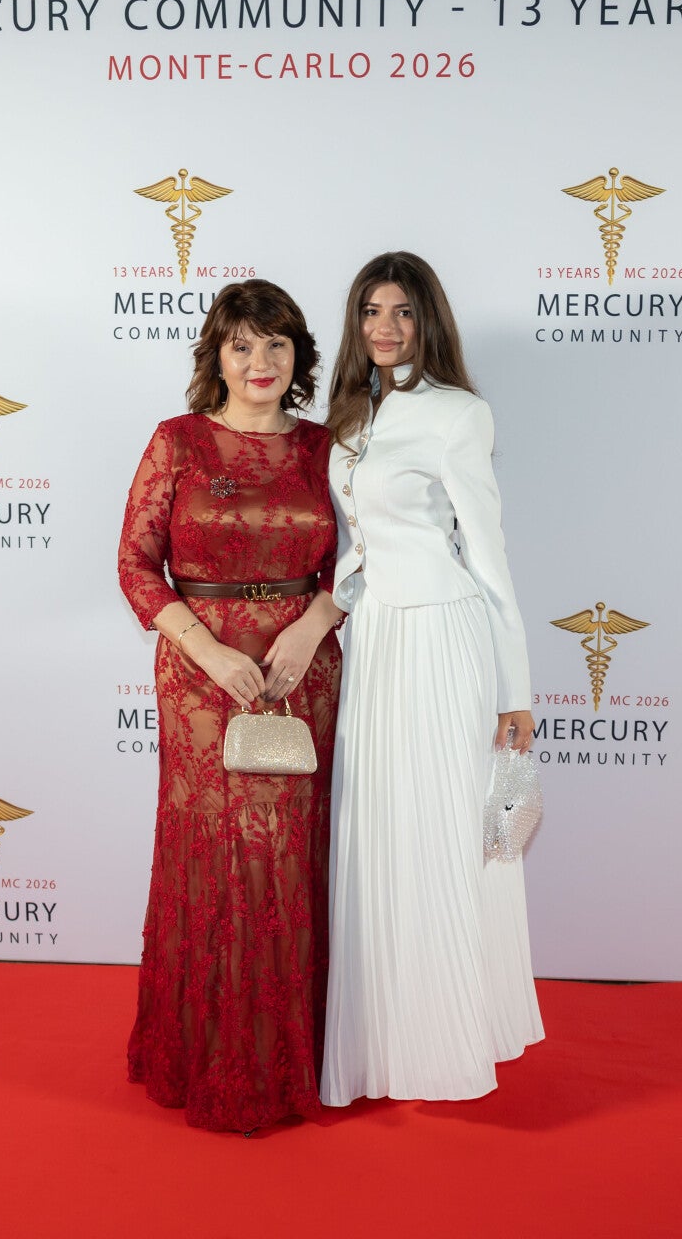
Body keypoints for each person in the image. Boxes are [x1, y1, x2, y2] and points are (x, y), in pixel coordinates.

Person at [116, 279, 344, 1132]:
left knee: (283, 858)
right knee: (219, 854)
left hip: (301, 673)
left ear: (298, 355)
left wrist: (314, 626)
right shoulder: (177, 442)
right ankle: (208, 1050)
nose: (260, 362)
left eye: (276, 344)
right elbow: (136, 564)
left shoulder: (326, 448)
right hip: (201, 681)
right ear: (216, 355)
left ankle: (287, 1055)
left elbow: (362, 562)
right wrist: (209, 650)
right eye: (242, 345)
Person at [319, 251, 544, 1106]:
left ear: (428, 322)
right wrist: (331, 607)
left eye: (404, 312)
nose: (386, 327)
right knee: (380, 833)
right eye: (372, 310)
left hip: (445, 638)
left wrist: (515, 692)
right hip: (377, 642)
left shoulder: (457, 414)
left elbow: (488, 557)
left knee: (445, 834)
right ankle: (388, 1045)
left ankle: (448, 1043)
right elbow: (360, 545)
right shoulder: (348, 416)